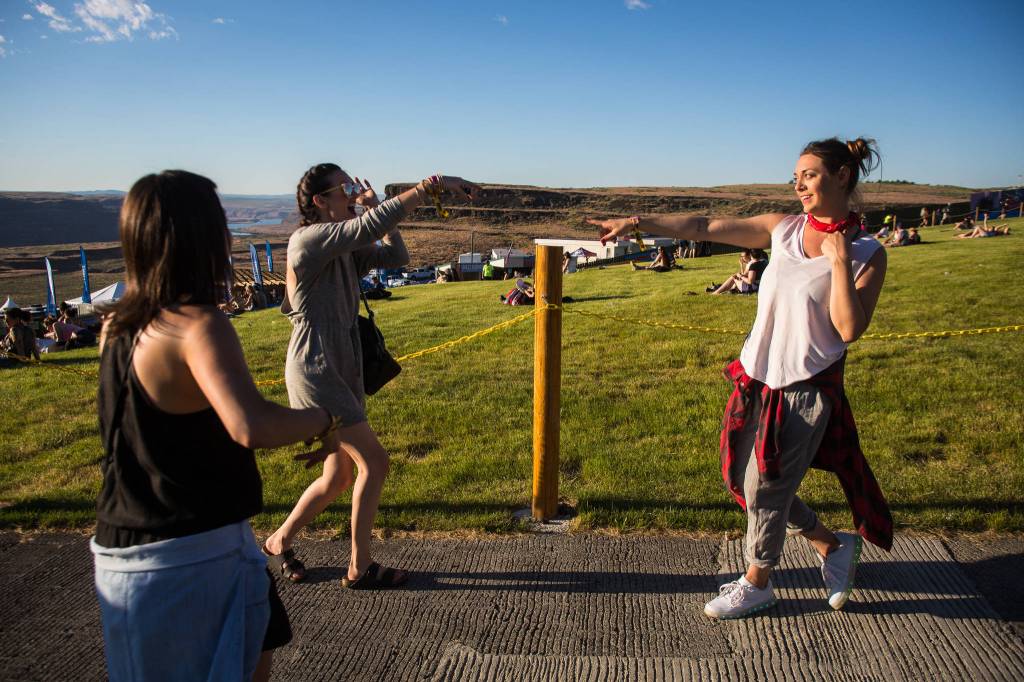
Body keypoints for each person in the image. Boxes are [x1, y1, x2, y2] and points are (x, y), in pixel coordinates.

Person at [589, 137, 893, 619]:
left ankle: (757, 581)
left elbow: (849, 328)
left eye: (809, 175)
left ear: (841, 177)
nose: (798, 185)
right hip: (756, 377)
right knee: (739, 477)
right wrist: (635, 222)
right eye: (796, 176)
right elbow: (705, 224)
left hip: (806, 385)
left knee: (766, 485)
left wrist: (838, 261)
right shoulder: (782, 229)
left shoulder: (867, 252)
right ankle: (831, 546)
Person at [91, 170, 340, 681]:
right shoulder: (198, 325)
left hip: (124, 549)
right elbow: (249, 424)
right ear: (202, 236)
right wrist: (323, 418)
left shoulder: (118, 325)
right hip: (192, 552)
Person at [263, 166, 479, 589]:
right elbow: (371, 227)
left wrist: (377, 206)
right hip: (316, 368)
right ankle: (360, 567)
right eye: (342, 188)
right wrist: (425, 189)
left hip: (343, 365)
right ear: (319, 202)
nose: (352, 192)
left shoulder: (342, 246)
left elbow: (395, 257)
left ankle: (278, 541)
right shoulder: (308, 240)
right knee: (374, 463)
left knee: (338, 477)